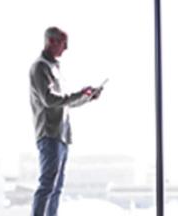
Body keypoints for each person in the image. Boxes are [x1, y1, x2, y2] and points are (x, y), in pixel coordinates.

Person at [29, 26, 103, 216]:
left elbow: (64, 103)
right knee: (47, 185)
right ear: (51, 41)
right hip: (50, 133)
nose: (66, 48)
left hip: (61, 135)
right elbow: (50, 99)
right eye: (63, 42)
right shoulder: (40, 67)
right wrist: (79, 94)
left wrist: (87, 97)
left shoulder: (55, 68)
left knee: (56, 187)